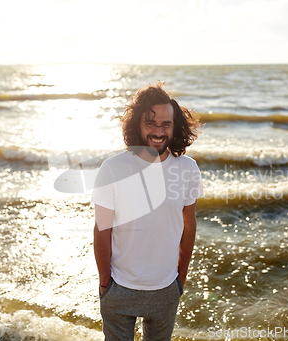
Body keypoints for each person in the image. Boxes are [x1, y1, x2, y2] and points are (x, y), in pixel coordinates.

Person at [91, 82, 203, 341]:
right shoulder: (113, 169)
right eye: (150, 123)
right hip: (120, 287)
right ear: (137, 125)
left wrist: (180, 278)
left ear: (175, 127)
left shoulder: (188, 169)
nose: (158, 131)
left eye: (166, 124)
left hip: (166, 288)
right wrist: (106, 282)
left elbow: (189, 224)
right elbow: (102, 229)